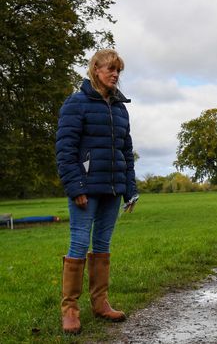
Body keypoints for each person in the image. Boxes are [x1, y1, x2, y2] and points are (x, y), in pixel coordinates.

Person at [56, 49, 138, 334]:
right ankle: (70, 310)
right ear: (95, 70)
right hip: (85, 189)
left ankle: (101, 303)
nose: (115, 74)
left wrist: (130, 189)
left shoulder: (119, 108)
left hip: (112, 188)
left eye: (118, 71)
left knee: (102, 246)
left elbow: (126, 151)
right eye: (110, 69)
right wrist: (75, 186)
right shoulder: (76, 103)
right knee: (79, 244)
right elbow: (65, 150)